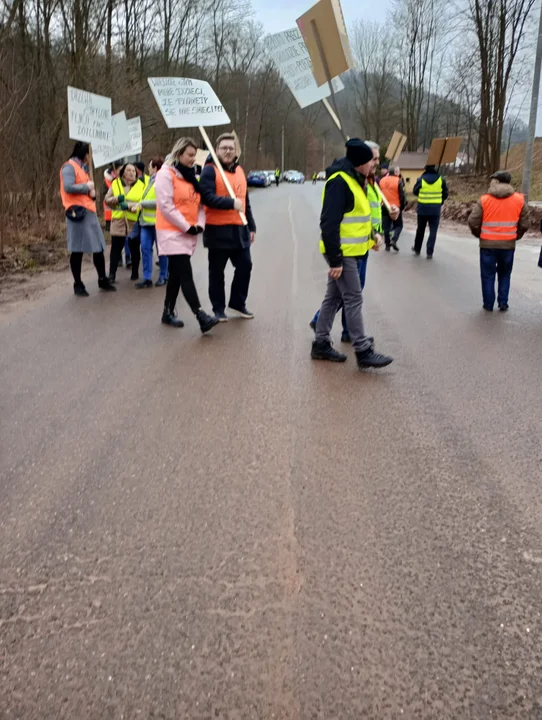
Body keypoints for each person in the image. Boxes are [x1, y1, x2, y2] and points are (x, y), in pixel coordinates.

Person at [311, 139, 393, 369]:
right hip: (342, 253)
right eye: (370, 161)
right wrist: (336, 259)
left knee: (334, 297)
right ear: (359, 163)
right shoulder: (340, 182)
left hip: (350, 251)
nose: (373, 166)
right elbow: (329, 223)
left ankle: (321, 343)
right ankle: (363, 349)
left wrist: (372, 237)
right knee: (354, 298)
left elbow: (356, 218)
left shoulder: (356, 180)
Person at [155, 137, 243, 333]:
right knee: (185, 273)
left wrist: (199, 225)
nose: (193, 159)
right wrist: (187, 226)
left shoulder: (192, 176)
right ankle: (200, 315)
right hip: (171, 233)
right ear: (179, 154)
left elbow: (201, 205)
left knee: (176, 274)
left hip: (188, 233)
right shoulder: (165, 175)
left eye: (195, 155)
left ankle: (167, 312)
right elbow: (166, 206)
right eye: (190, 155)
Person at [199, 133, 256, 321]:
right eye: (224, 148)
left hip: (239, 229)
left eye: (231, 148)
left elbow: (245, 201)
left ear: (236, 151)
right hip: (217, 230)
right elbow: (207, 197)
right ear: (216, 150)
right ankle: (218, 309)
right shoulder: (209, 170)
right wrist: (230, 203)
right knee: (217, 273)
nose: (228, 151)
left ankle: (237, 304)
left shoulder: (240, 171)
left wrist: (252, 226)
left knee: (245, 265)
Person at [60, 142, 116, 296]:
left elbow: (83, 188)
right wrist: (87, 187)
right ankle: (78, 284)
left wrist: (91, 193)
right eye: (89, 155)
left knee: (98, 246)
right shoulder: (69, 167)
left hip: (88, 212)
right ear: (84, 154)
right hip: (77, 213)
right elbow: (68, 187)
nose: (90, 158)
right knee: (77, 249)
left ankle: (102, 279)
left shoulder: (83, 168)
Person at [467, 171, 528, 312]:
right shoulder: (519, 200)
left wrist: (480, 234)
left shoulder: (484, 199)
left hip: (487, 244)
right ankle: (503, 302)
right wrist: (516, 235)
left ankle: (488, 304)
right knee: (505, 274)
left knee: (487, 275)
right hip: (508, 245)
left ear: (497, 181)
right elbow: (525, 223)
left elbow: (472, 221)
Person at [104, 163, 145, 282]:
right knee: (115, 249)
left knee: (134, 248)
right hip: (118, 221)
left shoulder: (141, 185)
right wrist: (117, 199)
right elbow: (107, 200)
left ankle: (135, 272)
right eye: (128, 170)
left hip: (133, 222)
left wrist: (129, 206)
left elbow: (142, 203)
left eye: (133, 171)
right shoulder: (115, 184)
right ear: (123, 173)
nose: (131, 173)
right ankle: (112, 274)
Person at [135, 156, 168, 289]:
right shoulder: (150, 181)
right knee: (145, 250)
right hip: (145, 224)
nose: (148, 168)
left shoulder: (161, 182)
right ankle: (147, 278)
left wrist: (141, 204)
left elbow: (160, 202)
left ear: (155, 168)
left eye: (150, 166)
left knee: (162, 251)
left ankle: (163, 276)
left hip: (158, 223)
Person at [412, 164, 449, 258]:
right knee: (433, 231)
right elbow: (445, 193)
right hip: (435, 210)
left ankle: (417, 248)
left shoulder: (421, 179)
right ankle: (429, 252)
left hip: (422, 209)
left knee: (420, 230)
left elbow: (415, 191)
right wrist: (440, 201)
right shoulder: (441, 179)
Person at [380, 165, 407, 251]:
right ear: (395, 172)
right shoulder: (398, 181)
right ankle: (394, 240)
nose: (399, 173)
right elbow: (402, 195)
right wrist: (402, 206)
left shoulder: (382, 180)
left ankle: (387, 245)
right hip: (395, 207)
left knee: (386, 227)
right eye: (398, 171)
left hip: (384, 206)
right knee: (399, 225)